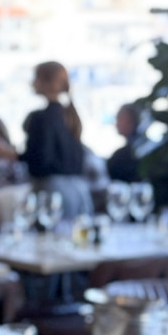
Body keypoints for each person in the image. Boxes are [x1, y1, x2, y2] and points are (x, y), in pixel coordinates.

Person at [22, 60, 92, 218]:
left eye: (36, 77)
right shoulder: (69, 114)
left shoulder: (42, 117)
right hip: (78, 191)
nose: (33, 82)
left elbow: (40, 160)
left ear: (47, 82)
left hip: (51, 193)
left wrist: (11, 155)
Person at [107, 101, 144, 183]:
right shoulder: (124, 153)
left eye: (119, 118)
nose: (116, 124)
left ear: (131, 121)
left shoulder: (126, 155)